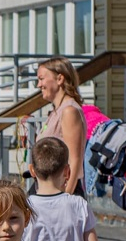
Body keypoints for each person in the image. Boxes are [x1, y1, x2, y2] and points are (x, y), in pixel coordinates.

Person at [35, 57, 87, 196]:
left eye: (41, 78)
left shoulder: (69, 111)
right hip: (48, 188)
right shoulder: (57, 111)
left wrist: (66, 198)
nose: (38, 85)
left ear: (59, 79)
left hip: (62, 190)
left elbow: (75, 159)